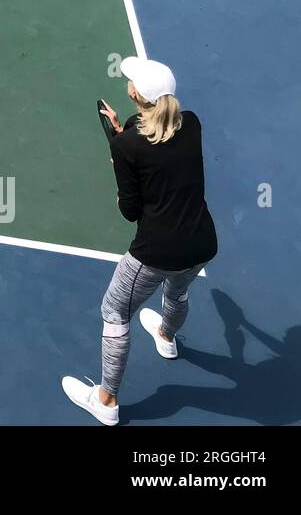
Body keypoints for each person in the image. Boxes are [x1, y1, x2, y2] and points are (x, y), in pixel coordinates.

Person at [62, 57, 218, 426]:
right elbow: (155, 145)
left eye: (130, 79)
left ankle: (106, 400)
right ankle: (166, 336)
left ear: (134, 94)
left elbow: (130, 211)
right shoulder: (190, 123)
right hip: (202, 243)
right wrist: (122, 135)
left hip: (156, 251)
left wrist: (120, 160)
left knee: (114, 313)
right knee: (177, 293)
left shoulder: (129, 147)